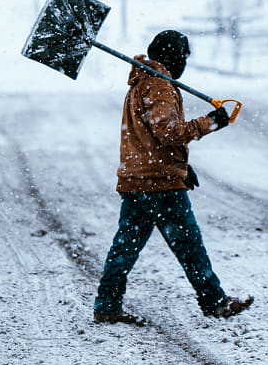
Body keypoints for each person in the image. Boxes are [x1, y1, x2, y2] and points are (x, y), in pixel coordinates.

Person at [93, 29, 253, 324]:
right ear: (173, 57)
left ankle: (107, 304)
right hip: (158, 185)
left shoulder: (141, 83)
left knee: (125, 246)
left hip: (139, 179)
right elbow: (169, 133)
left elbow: (148, 137)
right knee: (189, 245)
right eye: (183, 57)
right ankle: (215, 301)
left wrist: (180, 166)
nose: (184, 64)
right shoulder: (159, 86)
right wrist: (211, 122)